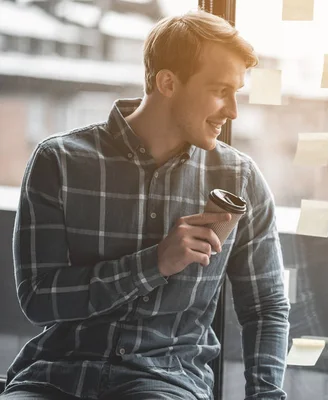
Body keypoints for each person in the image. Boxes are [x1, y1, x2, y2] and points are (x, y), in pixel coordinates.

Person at [2, 9, 290, 400]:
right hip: (52, 378)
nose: (233, 110)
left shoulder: (240, 178)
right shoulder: (60, 161)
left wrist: (266, 396)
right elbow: (38, 298)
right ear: (168, 82)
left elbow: (266, 309)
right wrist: (155, 263)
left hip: (165, 383)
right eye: (221, 91)